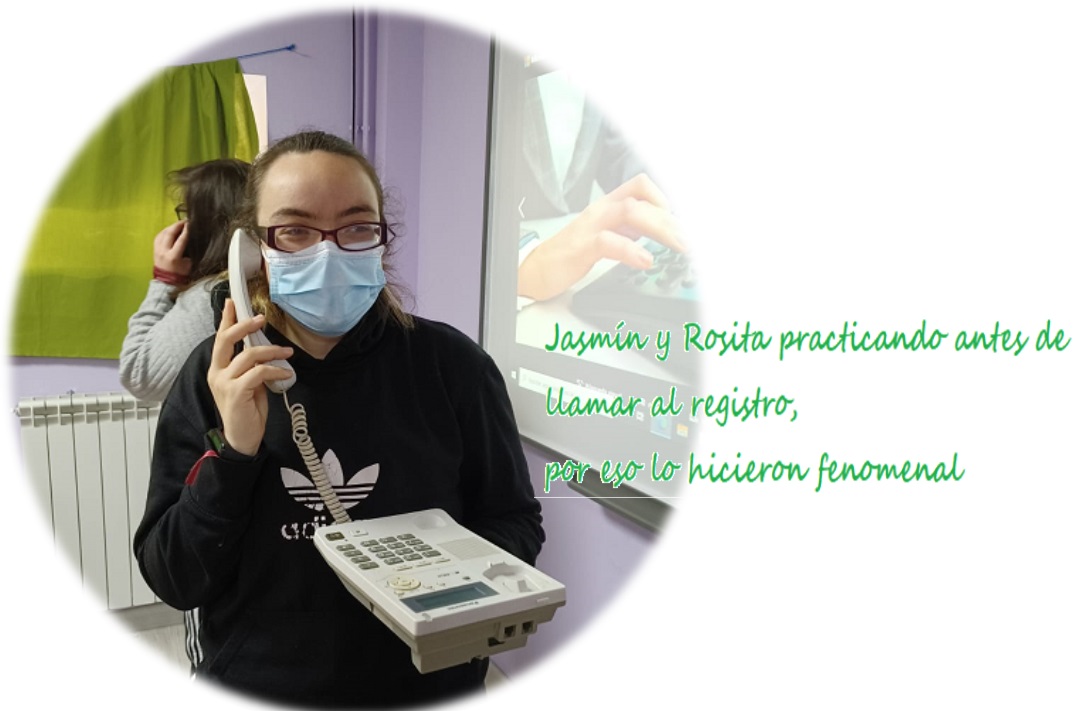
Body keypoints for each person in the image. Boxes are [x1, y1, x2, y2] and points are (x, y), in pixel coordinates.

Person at [133, 131, 544, 708]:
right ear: (254, 251)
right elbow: (174, 577)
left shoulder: (453, 366)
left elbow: (514, 520)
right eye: (295, 230)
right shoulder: (215, 373)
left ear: (381, 239)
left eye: (356, 227)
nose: (328, 252)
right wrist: (234, 453)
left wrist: (446, 583)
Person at [119, 158, 250, 401]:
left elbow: (138, 375)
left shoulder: (212, 295)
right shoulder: (259, 283)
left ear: (205, 224)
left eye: (188, 214)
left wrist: (164, 280)